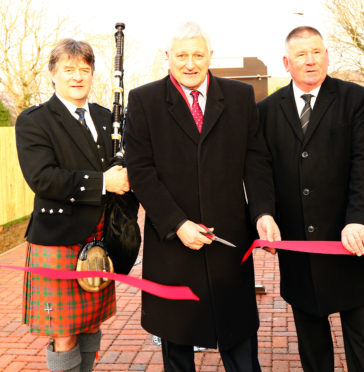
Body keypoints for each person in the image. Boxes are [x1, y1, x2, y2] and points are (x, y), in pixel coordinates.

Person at [124, 22, 278, 372]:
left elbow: (256, 162)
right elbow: (142, 171)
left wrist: (263, 214)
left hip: (228, 244)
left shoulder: (239, 97)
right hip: (173, 245)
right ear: (168, 57)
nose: (189, 63)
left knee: (239, 341)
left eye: (197, 54)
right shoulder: (144, 100)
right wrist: (177, 223)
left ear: (210, 55)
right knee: (176, 345)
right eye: (181, 55)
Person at [257, 26, 364, 372]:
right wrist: (264, 214)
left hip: (350, 243)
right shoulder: (267, 111)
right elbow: (261, 172)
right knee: (313, 348)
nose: (310, 60)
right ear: (287, 62)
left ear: (327, 56)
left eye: (317, 52)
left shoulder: (354, 100)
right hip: (299, 249)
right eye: (301, 54)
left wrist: (358, 219)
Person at [15, 39, 130, 372]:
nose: (77, 76)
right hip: (58, 239)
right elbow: (43, 179)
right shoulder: (35, 121)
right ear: (53, 74)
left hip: (99, 235)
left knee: (92, 322)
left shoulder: (108, 117)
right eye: (68, 69)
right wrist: (102, 182)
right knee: (63, 333)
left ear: (93, 74)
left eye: (84, 69)